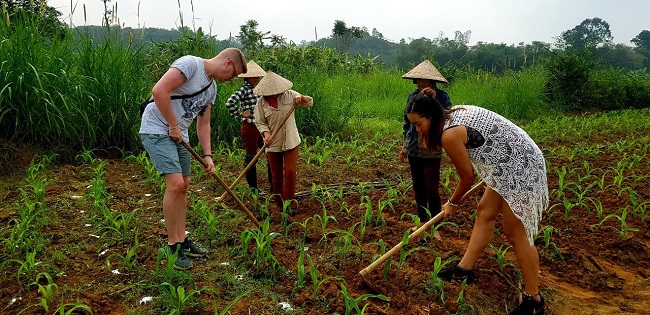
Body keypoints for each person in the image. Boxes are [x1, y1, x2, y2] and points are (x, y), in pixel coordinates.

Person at [406, 88, 548, 315]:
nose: (417, 129)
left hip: (522, 165)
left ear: (431, 116)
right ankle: (464, 270)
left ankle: (534, 299)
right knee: (485, 211)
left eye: (418, 123)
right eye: (413, 124)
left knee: (515, 231)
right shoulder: (449, 115)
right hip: (506, 162)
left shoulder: (449, 134)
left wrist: (452, 202)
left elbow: (467, 178)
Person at [139, 48, 247, 270]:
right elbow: (159, 90)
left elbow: (203, 124)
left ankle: (181, 240)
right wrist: (172, 124)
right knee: (175, 184)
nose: (231, 80)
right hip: (158, 129)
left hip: (180, 135)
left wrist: (208, 156)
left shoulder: (212, 88)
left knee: (184, 186)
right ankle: (172, 247)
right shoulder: (190, 64)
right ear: (228, 63)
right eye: (234, 75)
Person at [400, 60, 452, 233]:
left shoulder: (442, 97)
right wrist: (405, 145)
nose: (421, 82)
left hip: (432, 148)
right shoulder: (411, 97)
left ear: (432, 81)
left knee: (432, 187)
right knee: (418, 187)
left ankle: (436, 225)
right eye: (419, 79)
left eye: (425, 79)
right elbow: (407, 123)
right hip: (414, 146)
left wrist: (434, 100)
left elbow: (446, 116)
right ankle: (423, 222)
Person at [253, 72, 313, 210]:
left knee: (290, 171)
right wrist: (266, 134)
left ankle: (290, 203)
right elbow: (260, 122)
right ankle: (280, 205)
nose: (270, 95)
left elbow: (309, 102)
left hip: (291, 140)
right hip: (273, 143)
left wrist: (301, 98)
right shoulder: (260, 103)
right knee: (276, 176)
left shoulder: (289, 95)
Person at [224, 60, 272, 194]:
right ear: (247, 77)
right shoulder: (244, 89)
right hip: (250, 126)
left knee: (270, 154)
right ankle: (253, 188)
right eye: (253, 76)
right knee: (251, 156)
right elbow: (230, 103)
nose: (256, 78)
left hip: (263, 127)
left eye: (257, 76)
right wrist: (241, 115)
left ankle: (274, 186)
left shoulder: (260, 89)